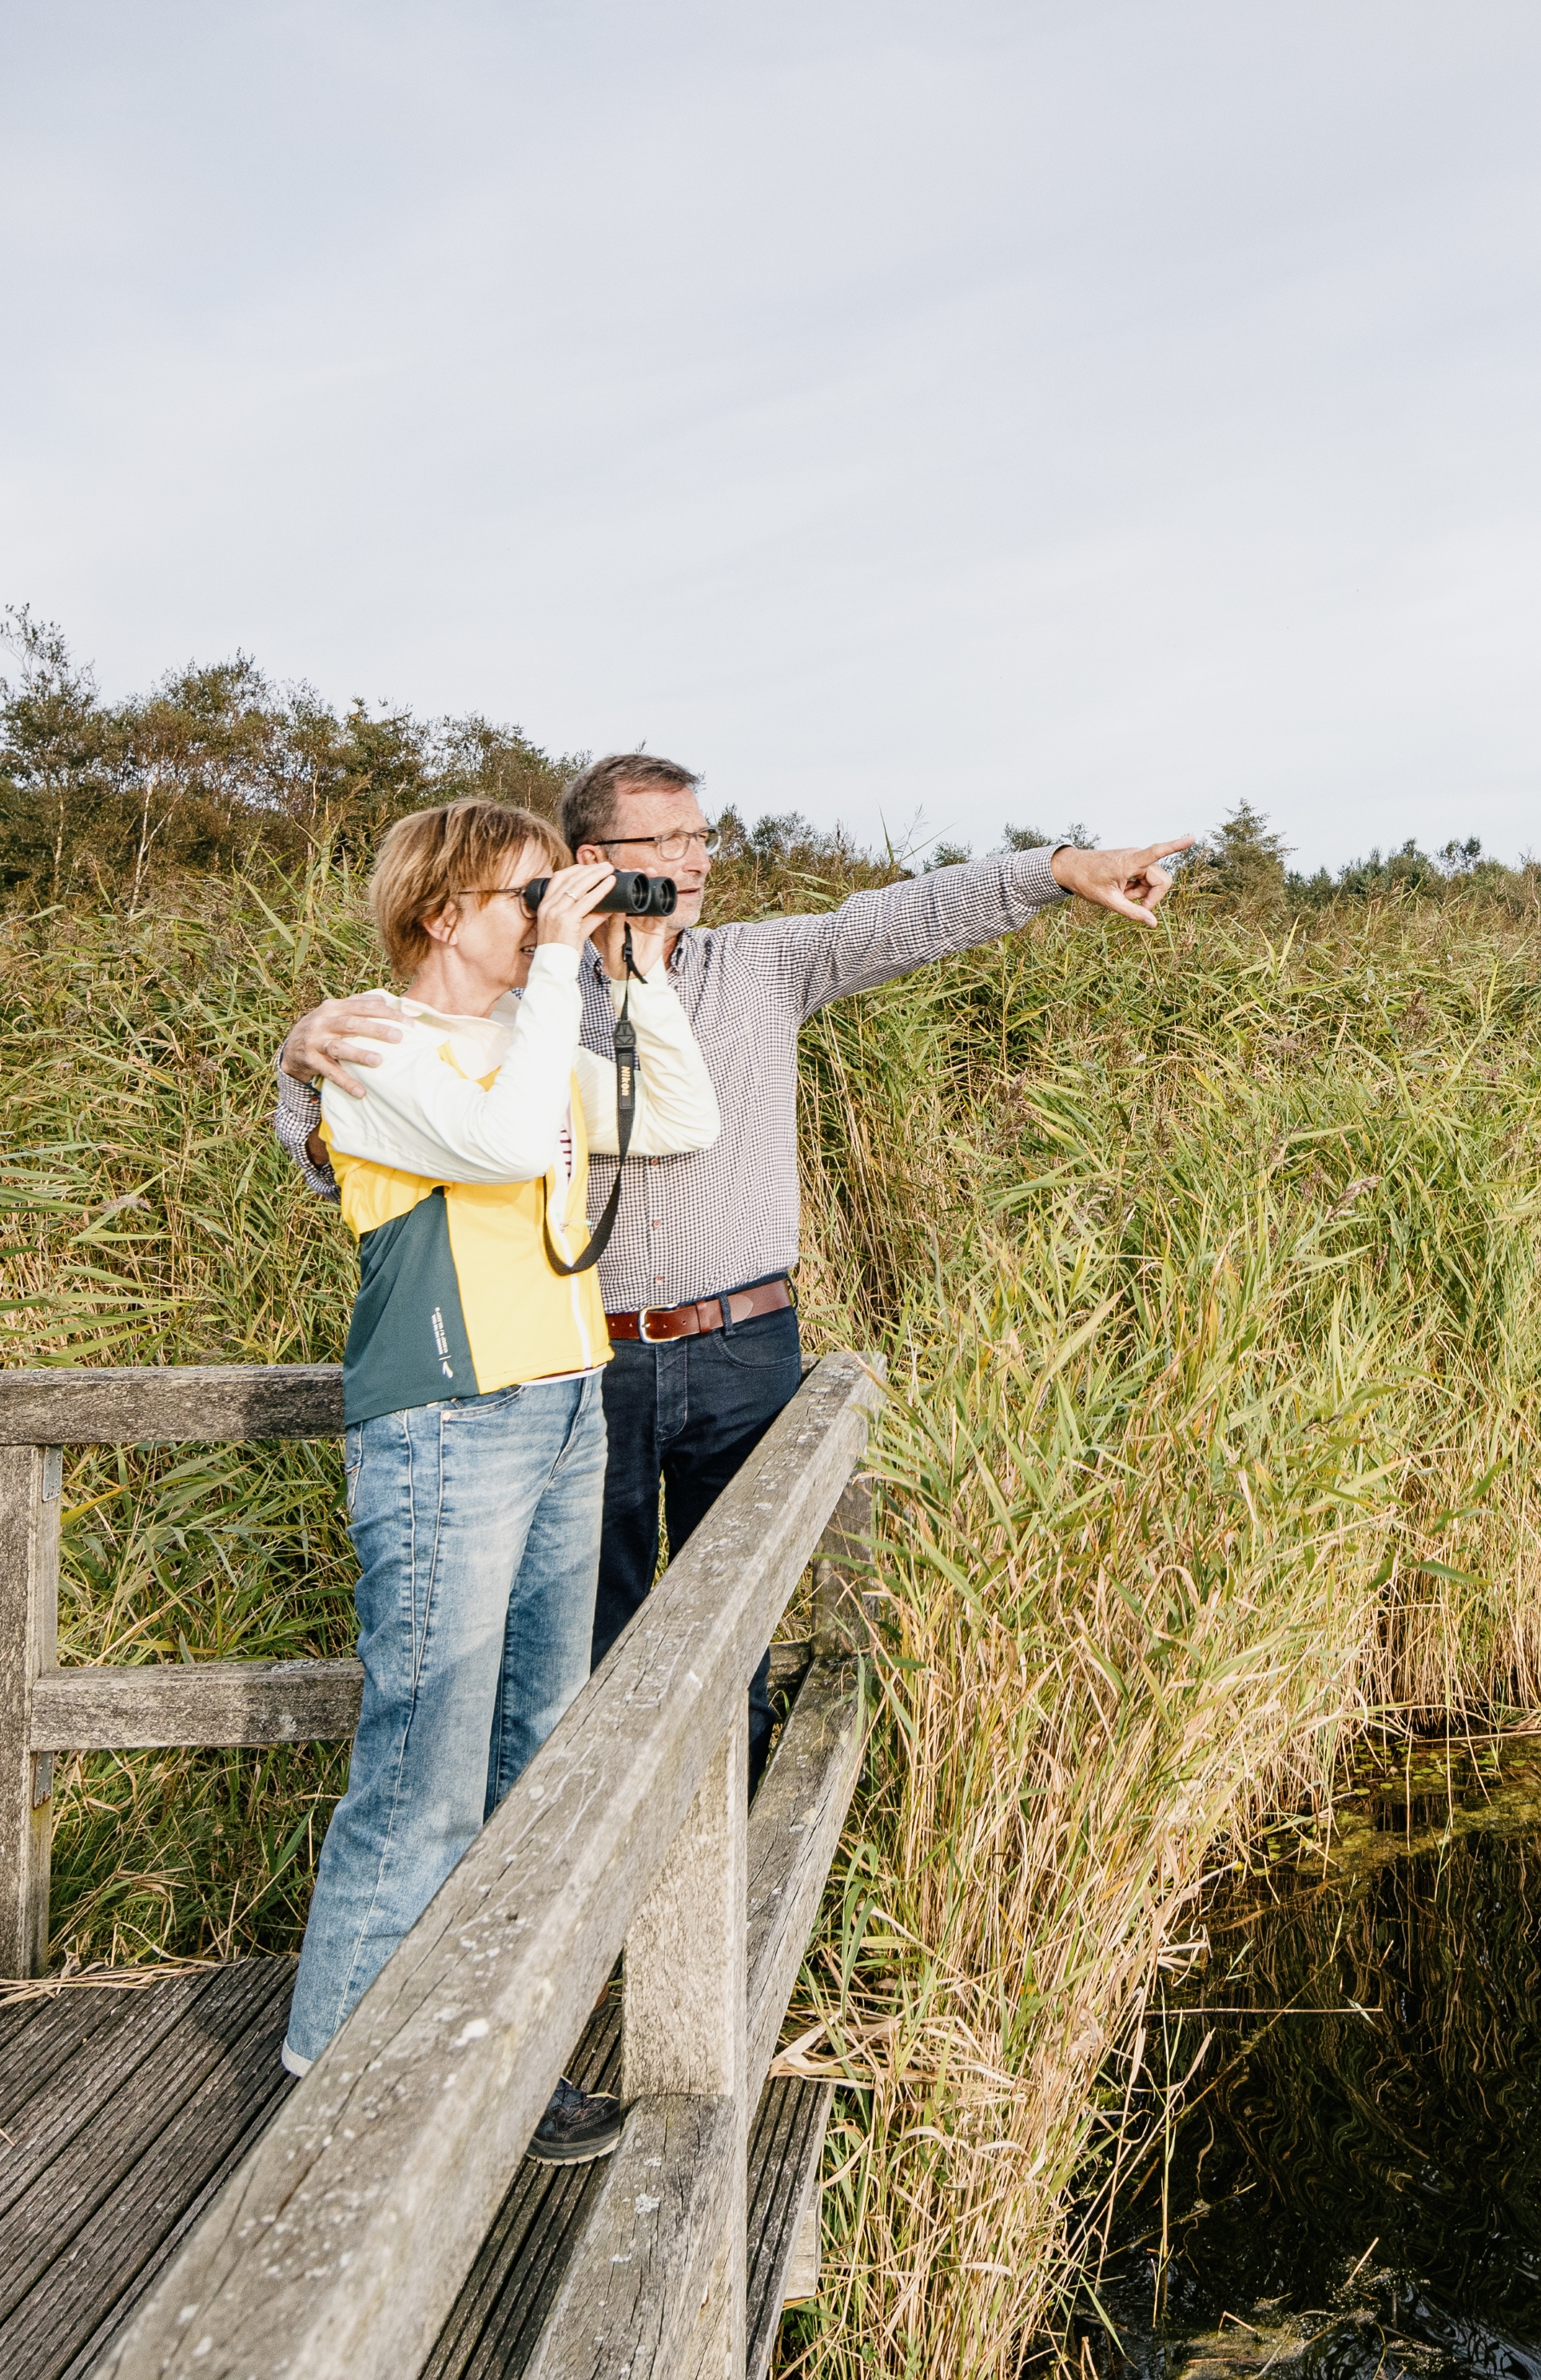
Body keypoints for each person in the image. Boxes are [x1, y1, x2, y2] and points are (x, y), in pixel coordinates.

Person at [277, 760, 1186, 1733]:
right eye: (665, 842)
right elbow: (368, 1151)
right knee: (587, 1645)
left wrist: (1056, 870)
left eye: (703, 836)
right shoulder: (519, 991)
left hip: (742, 1342)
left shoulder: (761, 964)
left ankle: (730, 1848)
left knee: (738, 1625)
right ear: (592, 860)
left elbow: (905, 916)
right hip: (590, 1356)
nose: (694, 860)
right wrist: (303, 1069)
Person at [290, 798, 720, 2166]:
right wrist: (556, 984)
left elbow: (683, 1122)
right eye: (529, 892)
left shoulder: (529, 1041)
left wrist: (637, 985)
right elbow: (488, 1145)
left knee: (540, 1747)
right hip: (450, 1421)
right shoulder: (371, 1041)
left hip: (565, 1404)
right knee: (423, 1768)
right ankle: (334, 2080)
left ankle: (495, 2049)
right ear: (440, 912)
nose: (553, 911)